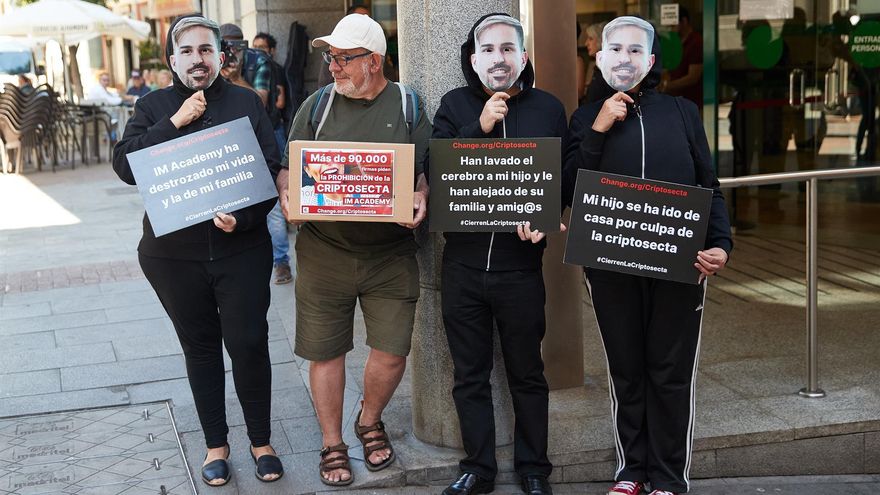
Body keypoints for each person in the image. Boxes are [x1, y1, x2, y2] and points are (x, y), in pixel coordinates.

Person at [111, 14, 284, 486]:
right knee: (201, 349)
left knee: (249, 344)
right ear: (172, 60)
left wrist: (244, 219)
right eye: (186, 52)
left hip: (241, 249)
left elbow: (270, 169)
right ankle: (216, 445)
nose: (197, 59)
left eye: (206, 50)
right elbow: (125, 166)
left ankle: (262, 441)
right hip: (174, 258)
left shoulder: (246, 102)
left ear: (221, 57)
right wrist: (174, 122)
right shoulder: (152, 106)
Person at [563, 17, 732, 495]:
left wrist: (720, 244)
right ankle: (631, 470)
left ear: (651, 61)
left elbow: (708, 188)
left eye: (636, 51)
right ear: (599, 57)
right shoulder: (583, 118)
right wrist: (597, 129)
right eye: (615, 49)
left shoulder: (681, 112)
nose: (624, 58)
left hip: (679, 264)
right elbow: (570, 189)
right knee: (627, 369)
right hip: (611, 265)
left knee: (670, 371)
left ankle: (668, 477)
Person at [275, 12, 430, 487]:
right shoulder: (316, 106)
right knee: (326, 353)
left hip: (390, 254)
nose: (333, 67)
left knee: (391, 351)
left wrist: (421, 195)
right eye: (330, 57)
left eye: (344, 58)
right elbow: (288, 169)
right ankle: (332, 443)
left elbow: (424, 171)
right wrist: (288, 196)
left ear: (375, 62)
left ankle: (368, 420)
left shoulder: (407, 105)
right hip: (325, 252)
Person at [432, 13, 567, 495]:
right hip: (463, 269)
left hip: (520, 269)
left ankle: (533, 469)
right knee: (468, 376)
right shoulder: (453, 105)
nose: (498, 58)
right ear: (474, 59)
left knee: (527, 374)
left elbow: (561, 176)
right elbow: (439, 168)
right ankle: (478, 468)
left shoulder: (548, 108)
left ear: (523, 57)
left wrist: (548, 219)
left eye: (508, 49)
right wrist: (480, 125)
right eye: (488, 50)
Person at [219, 23, 292, 284]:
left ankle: (281, 261)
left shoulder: (259, 61)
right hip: (229, 141)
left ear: (244, 44)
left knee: (269, 201)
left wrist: (236, 78)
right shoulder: (210, 61)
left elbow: (259, 102)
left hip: (263, 137)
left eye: (235, 46)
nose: (230, 52)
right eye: (225, 46)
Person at [660, 7, 703, 109]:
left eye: (673, 25)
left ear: (684, 21)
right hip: (674, 101)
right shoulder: (674, 43)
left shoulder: (696, 42)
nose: (671, 29)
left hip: (692, 101)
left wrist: (667, 86)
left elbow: (693, 77)